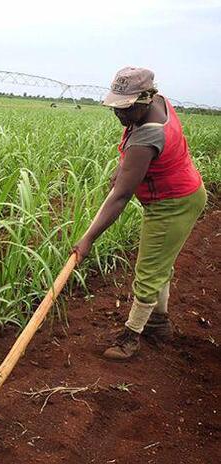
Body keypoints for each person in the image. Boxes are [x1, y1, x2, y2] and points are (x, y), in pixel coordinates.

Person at [73, 67, 206, 361]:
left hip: (173, 203)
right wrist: (124, 166)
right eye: (116, 107)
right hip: (184, 191)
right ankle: (158, 322)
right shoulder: (158, 103)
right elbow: (132, 152)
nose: (119, 115)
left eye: (126, 108)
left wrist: (88, 239)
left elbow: (119, 196)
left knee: (148, 271)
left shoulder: (147, 137)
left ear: (146, 97)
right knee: (160, 264)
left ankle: (131, 337)